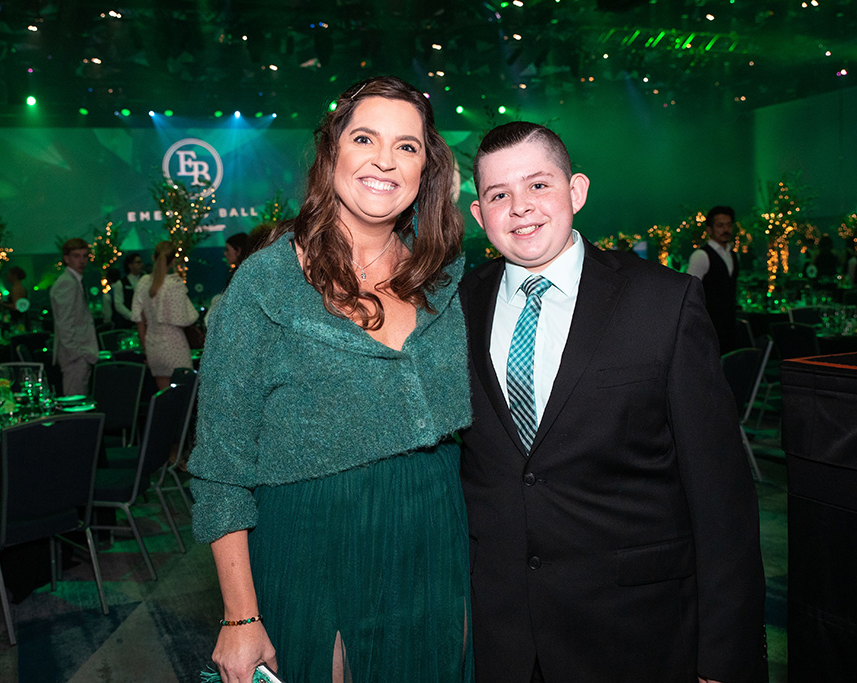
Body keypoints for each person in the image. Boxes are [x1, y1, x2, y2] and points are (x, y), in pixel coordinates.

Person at [459, 122, 767, 683]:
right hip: (500, 637)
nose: (520, 207)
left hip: (635, 632)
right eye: (499, 195)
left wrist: (725, 654)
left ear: (576, 190)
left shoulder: (663, 301)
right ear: (479, 214)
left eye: (538, 185)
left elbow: (720, 492)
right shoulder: (455, 307)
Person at [188, 76, 471, 683]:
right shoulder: (265, 284)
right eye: (365, 138)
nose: (384, 161)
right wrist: (240, 617)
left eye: (406, 146)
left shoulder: (445, 280)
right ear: (331, 152)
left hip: (433, 541)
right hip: (312, 544)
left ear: (426, 169)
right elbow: (220, 465)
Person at [132, 241, 199, 391]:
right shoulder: (174, 284)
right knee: (182, 397)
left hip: (153, 346)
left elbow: (139, 320)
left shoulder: (143, 283)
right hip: (174, 344)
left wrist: (146, 349)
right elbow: (184, 320)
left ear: (153, 257)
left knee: (164, 397)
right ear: (173, 260)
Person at [50, 238, 99, 396]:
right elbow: (65, 324)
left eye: (85, 256)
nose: (82, 261)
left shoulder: (73, 281)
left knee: (78, 398)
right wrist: (78, 354)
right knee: (75, 401)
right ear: (66, 258)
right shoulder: (67, 283)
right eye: (76, 256)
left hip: (77, 353)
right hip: (74, 356)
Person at [687, 206, 739, 353]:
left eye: (729, 225)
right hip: (708, 324)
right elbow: (690, 292)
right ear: (709, 229)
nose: (725, 230)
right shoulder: (701, 256)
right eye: (720, 225)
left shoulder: (734, 255)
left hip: (729, 322)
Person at [112, 253, 144, 329]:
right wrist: (131, 316)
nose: (141, 265)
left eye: (141, 262)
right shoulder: (121, 283)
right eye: (138, 262)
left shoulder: (146, 280)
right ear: (130, 265)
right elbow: (118, 304)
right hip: (128, 323)